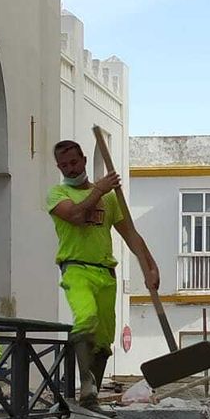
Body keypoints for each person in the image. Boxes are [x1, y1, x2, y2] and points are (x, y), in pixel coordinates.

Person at [48, 139, 159, 403]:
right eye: (64, 166)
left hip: (106, 273)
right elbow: (75, 215)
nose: (71, 169)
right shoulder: (57, 195)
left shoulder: (110, 200)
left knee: (103, 341)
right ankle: (85, 382)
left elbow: (131, 234)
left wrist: (149, 266)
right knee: (85, 318)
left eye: (74, 162)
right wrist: (99, 188)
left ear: (84, 159)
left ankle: (91, 394)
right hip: (75, 268)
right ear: (58, 167)